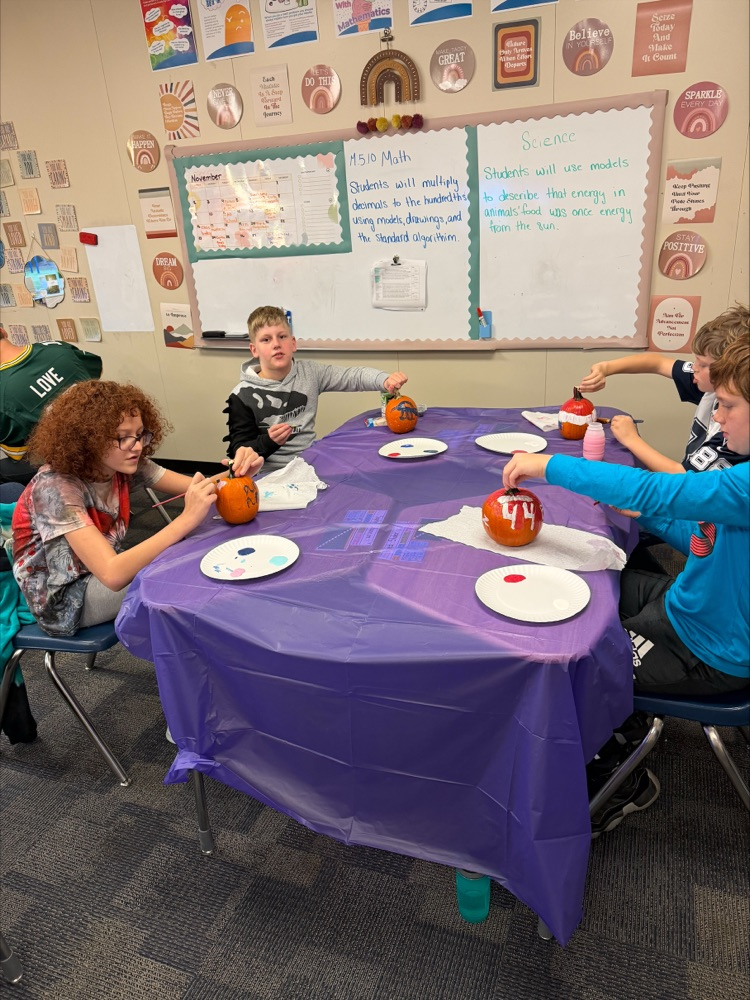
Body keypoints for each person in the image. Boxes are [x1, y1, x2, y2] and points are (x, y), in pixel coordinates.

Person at [504, 336, 750, 836]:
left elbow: (656, 485)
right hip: (689, 606)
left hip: (708, 650)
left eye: (726, 406)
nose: (718, 419)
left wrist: (548, 465)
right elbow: (704, 539)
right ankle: (620, 720)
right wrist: (648, 515)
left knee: (576, 670)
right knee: (587, 580)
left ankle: (623, 777)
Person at [11, 381, 263, 637]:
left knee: (189, 561)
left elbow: (198, 487)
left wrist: (235, 474)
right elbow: (112, 573)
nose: (138, 446)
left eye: (140, 434)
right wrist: (185, 520)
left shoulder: (125, 463)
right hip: (66, 601)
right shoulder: (55, 488)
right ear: (88, 440)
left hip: (104, 571)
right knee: (182, 576)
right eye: (122, 438)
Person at [225, 305, 409, 474]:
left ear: (293, 343)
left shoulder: (310, 373)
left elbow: (352, 376)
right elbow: (240, 450)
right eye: (266, 340)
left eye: (282, 337)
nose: (276, 344)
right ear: (254, 350)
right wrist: (269, 441)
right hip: (268, 475)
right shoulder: (241, 395)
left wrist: (384, 380)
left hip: (310, 466)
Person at [577, 304, 749, 473]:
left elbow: (683, 479)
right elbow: (657, 363)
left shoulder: (737, 432)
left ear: (727, 370)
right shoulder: (709, 384)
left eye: (703, 364)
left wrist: (631, 439)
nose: (694, 368)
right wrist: (605, 368)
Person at [0, 324, 103, 485]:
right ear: (3, 331)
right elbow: (95, 379)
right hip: (113, 437)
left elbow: (18, 453)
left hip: (70, 463)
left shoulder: (3, 392)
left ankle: (41, 507)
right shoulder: (57, 348)